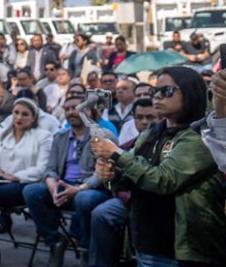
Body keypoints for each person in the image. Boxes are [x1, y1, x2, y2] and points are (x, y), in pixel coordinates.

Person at [93, 67, 226, 266]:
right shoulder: (151, 133)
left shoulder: (203, 137)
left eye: (167, 91)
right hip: (146, 241)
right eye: (155, 91)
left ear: (190, 93)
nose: (157, 97)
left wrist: (116, 154)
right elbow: (131, 178)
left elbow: (163, 180)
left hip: (181, 250)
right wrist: (112, 176)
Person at [22, 95, 115, 267]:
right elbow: (50, 169)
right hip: (64, 186)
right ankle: (55, 241)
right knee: (31, 191)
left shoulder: (103, 136)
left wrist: (79, 189)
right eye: (68, 108)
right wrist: (52, 186)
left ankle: (86, 250)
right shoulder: (61, 137)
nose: (72, 112)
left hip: (92, 189)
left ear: (88, 111)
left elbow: (103, 173)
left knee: (84, 199)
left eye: (77, 108)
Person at [0, 99, 53, 267]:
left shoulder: (43, 137)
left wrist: (14, 176)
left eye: (25, 114)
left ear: (33, 118)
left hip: (24, 185)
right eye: (16, 112)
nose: (19, 117)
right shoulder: (3, 134)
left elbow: (42, 169)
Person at [88, 97, 159, 267]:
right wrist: (109, 172)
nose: (144, 122)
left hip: (153, 201)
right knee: (101, 213)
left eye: (150, 117)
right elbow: (115, 176)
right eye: (139, 117)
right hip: (125, 199)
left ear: (160, 117)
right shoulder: (130, 143)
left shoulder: (164, 139)